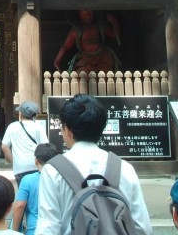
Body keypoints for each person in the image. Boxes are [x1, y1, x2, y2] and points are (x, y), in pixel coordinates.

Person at [35, 94, 152, 235]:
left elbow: (48, 228)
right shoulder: (125, 168)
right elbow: (142, 228)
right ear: (101, 128)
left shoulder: (53, 171)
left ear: (68, 130)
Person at [10, 143, 58, 235]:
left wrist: (14, 231)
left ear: (36, 161)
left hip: (34, 230)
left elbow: (19, 206)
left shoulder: (27, 180)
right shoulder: (60, 180)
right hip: (57, 230)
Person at [53, 9, 120, 73]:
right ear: (79, 14)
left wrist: (114, 22)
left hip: (102, 56)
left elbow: (114, 34)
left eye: (90, 14)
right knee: (82, 75)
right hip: (86, 58)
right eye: (85, 14)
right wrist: (57, 60)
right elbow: (65, 46)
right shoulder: (76, 31)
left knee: (105, 74)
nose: (88, 16)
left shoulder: (99, 27)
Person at [1, 101, 49, 186]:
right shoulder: (38, 127)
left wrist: (12, 160)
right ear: (35, 115)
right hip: (36, 166)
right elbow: (45, 146)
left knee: (23, 191)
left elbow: (4, 146)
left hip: (20, 168)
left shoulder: (12, 127)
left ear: (21, 114)